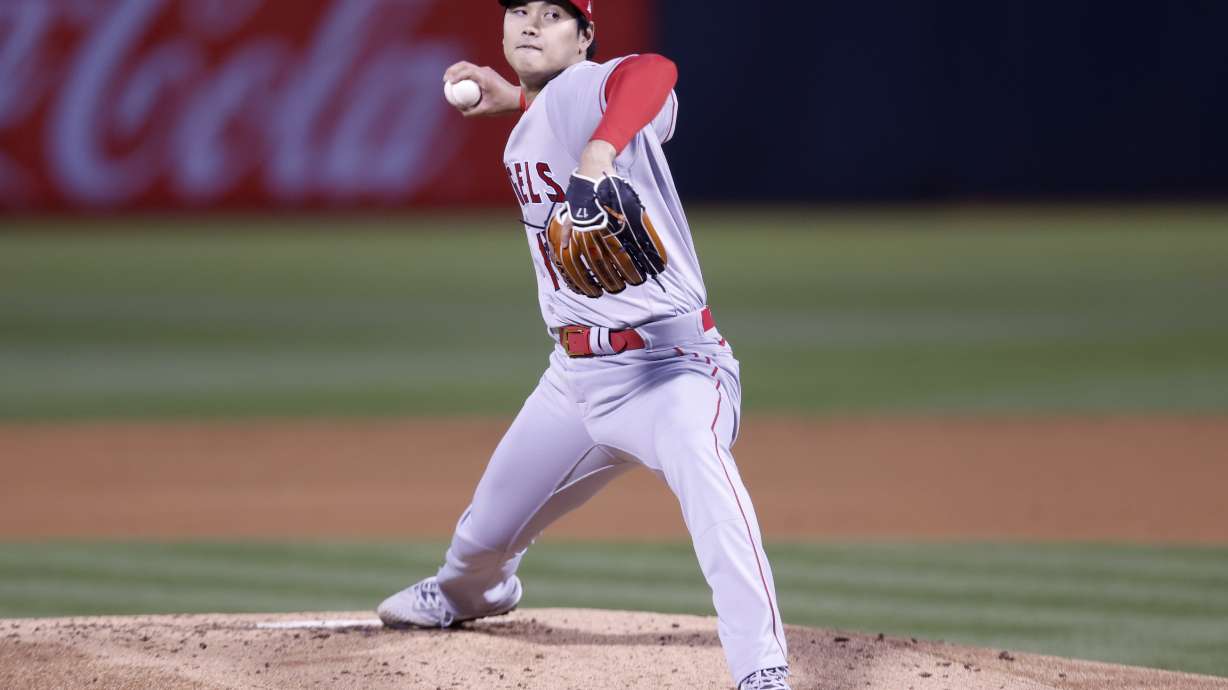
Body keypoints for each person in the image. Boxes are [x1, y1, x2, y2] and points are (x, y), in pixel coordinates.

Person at [377, 2, 791, 688]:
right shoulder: (550, 112)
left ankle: (761, 669)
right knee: (482, 537)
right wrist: (516, 100)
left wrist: (598, 153)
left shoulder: (586, 90)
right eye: (519, 11)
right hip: (574, 381)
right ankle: (469, 596)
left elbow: (653, 70)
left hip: (672, 371)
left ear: (586, 38)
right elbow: (570, 113)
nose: (531, 24)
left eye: (553, 14)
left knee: (707, 480)